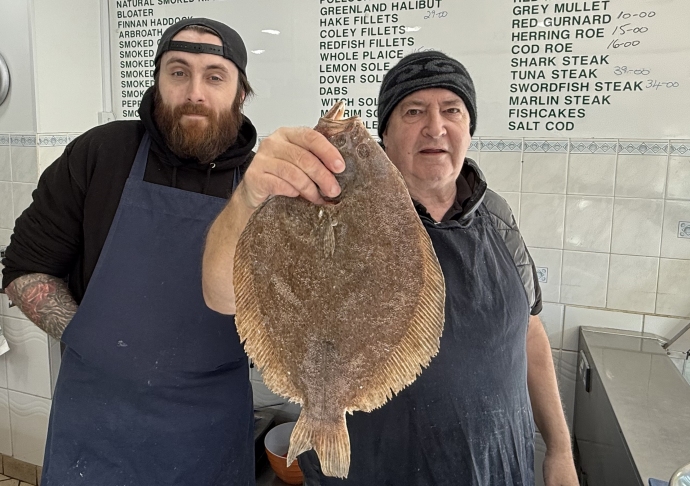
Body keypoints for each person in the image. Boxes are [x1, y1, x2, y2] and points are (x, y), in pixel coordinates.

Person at [202, 50, 579, 485]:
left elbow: (530, 332)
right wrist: (251, 194)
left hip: (498, 469)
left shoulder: (497, 215)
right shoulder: (316, 205)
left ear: (469, 129)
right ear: (384, 136)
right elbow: (223, 295)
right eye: (414, 111)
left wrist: (560, 449)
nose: (435, 127)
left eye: (452, 110)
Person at [2, 18, 258, 485]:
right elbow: (24, 268)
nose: (195, 92)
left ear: (240, 93)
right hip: (97, 428)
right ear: (158, 82)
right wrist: (86, 335)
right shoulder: (102, 154)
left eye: (214, 76)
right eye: (178, 72)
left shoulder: (261, 190)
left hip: (210, 432)